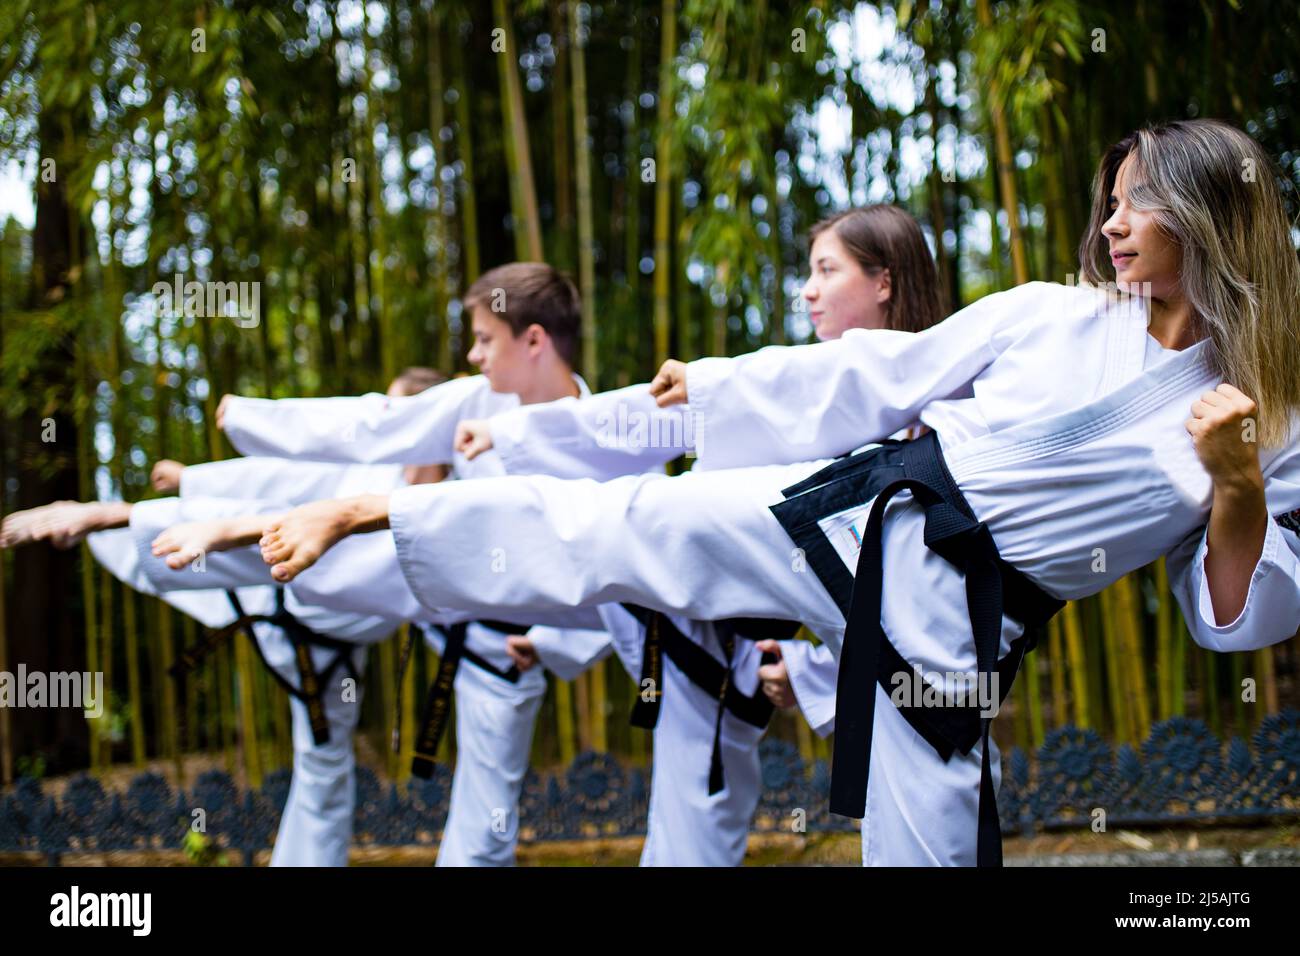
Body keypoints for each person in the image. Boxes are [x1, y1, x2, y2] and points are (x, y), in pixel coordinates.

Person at [242, 120, 1300, 866]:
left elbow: (1235, 617)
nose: (1112, 224)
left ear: (1210, 210)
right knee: (628, 518)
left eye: (1139, 201)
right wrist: (714, 387)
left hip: (961, 625)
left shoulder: (1273, 411)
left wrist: (1238, 484)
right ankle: (369, 509)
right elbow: (870, 374)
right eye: (1108, 203)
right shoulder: (1049, 315)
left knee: (927, 837)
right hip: (853, 519)